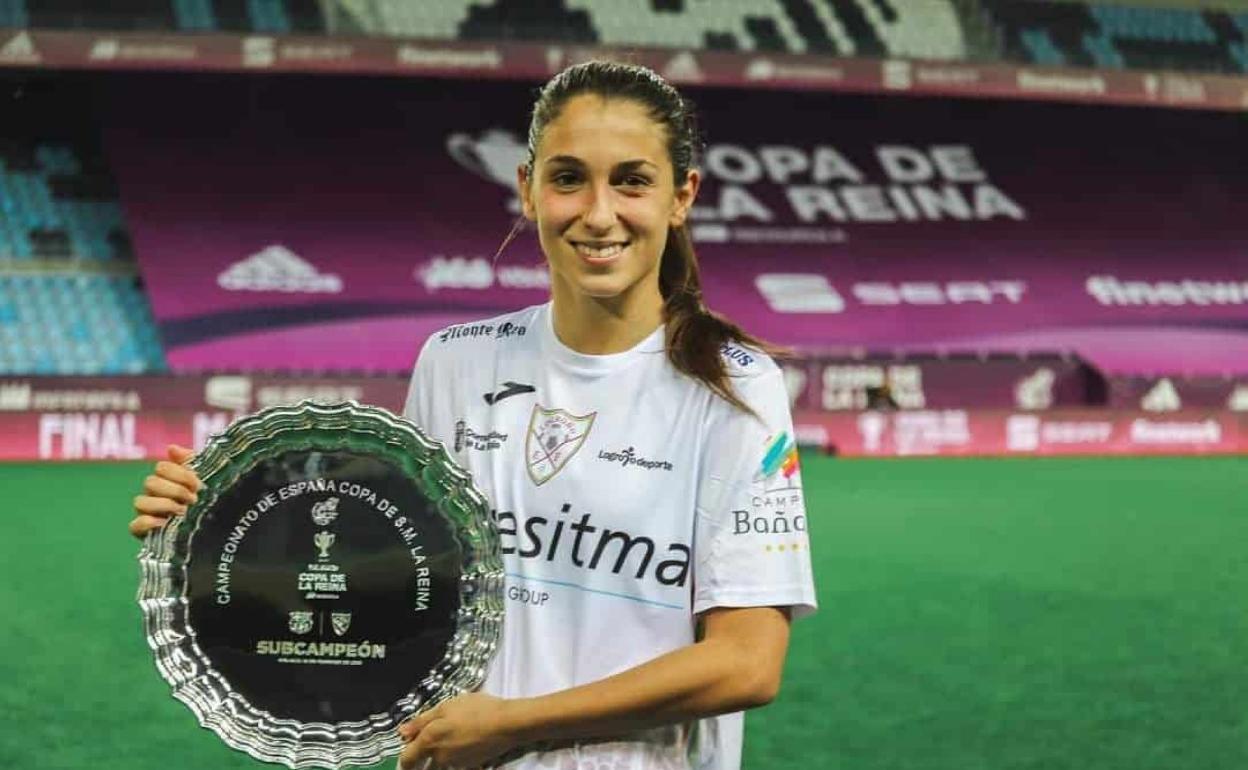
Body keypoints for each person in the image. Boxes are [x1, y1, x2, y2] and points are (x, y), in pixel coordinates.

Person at [130, 60, 816, 770]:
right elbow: (399, 579)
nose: (599, 212)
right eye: (569, 177)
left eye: (632, 181)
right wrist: (212, 524)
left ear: (682, 196)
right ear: (528, 189)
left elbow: (745, 663)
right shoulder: (455, 362)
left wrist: (514, 724)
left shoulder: (734, 387)